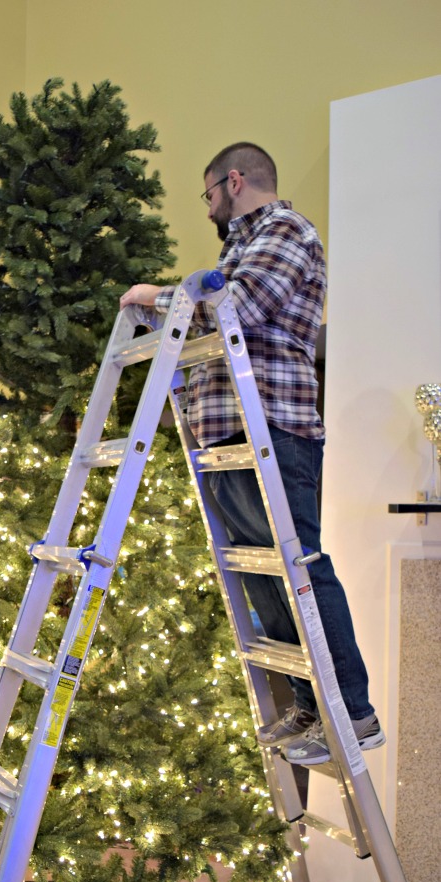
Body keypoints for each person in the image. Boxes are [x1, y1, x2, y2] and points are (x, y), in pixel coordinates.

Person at [119, 141, 385, 767]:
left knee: (301, 566)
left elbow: (241, 305)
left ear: (234, 181)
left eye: (208, 194)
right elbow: (216, 314)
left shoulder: (289, 230)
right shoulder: (237, 249)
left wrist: (158, 295)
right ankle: (307, 702)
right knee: (261, 570)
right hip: (229, 436)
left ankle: (353, 712)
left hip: (275, 431)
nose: (208, 207)